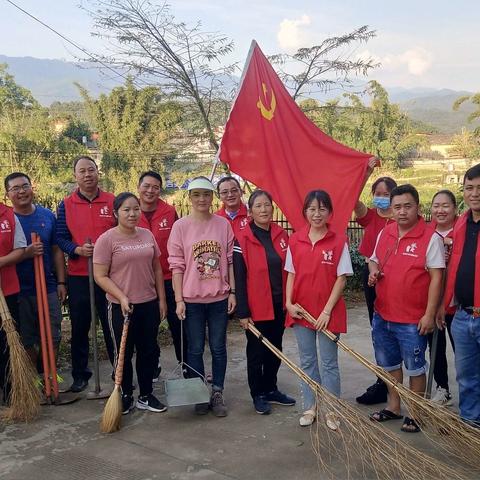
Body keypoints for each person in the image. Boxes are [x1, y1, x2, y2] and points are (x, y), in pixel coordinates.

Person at [368, 184, 444, 433]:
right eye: (397, 207)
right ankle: (393, 406)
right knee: (389, 365)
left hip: (412, 319)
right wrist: (373, 273)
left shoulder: (430, 237)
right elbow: (373, 260)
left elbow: (436, 278)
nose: (401, 212)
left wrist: (429, 314)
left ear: (417, 207)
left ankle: (416, 412)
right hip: (383, 314)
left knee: (415, 367)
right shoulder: (386, 233)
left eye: (407, 206)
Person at [93, 192, 168, 415]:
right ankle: (124, 394)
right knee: (122, 352)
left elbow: (156, 268)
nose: (132, 213)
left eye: (136, 209)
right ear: (116, 213)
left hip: (148, 304)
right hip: (120, 306)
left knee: (147, 350)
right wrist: (122, 296)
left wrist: (161, 299)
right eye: (126, 210)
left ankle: (145, 394)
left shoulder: (147, 235)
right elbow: (100, 276)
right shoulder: (107, 239)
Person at [168, 176, 236, 417]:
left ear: (212, 197)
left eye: (206, 194)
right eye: (196, 194)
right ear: (190, 197)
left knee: (218, 347)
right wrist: (178, 300)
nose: (201, 199)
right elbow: (176, 266)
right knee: (195, 349)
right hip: (192, 301)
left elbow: (229, 261)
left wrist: (232, 292)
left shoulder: (223, 224)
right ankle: (199, 392)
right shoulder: (180, 227)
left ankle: (217, 391)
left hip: (218, 298)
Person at [285, 190, 353, 429]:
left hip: (328, 314)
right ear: (305, 212)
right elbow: (291, 274)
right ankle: (310, 406)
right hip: (301, 311)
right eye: (312, 209)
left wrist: (326, 312)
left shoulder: (338, 241)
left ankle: (332, 410)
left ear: (329, 212)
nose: (316, 214)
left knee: (329, 363)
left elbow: (341, 278)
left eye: (322, 209)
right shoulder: (295, 240)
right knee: (307, 361)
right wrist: (288, 303)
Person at [56, 155, 116, 392]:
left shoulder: (112, 201)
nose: (87, 175)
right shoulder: (66, 205)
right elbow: (60, 238)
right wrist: (77, 249)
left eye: (91, 170)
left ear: (97, 172)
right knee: (80, 327)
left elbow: (123, 232)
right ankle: (80, 375)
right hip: (80, 275)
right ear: (75, 176)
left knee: (112, 325)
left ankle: (118, 371)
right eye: (82, 171)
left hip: (109, 275)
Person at [233, 189, 295, 415]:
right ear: (250, 211)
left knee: (276, 349)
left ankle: (271, 388)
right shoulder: (243, 238)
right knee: (257, 352)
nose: (264, 209)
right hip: (256, 307)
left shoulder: (281, 234)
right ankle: (257, 393)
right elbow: (239, 277)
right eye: (258, 206)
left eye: (267, 205)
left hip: (280, 304)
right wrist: (243, 311)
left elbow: (290, 269)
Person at [5, 172, 67, 373]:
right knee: (27, 339)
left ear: (32, 188)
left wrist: (61, 282)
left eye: (25, 186)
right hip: (19, 290)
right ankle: (34, 380)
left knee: (53, 334)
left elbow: (56, 250)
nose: (21, 192)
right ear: (8, 194)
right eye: (15, 188)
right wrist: (26, 253)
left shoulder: (47, 215)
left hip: (48, 286)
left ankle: (49, 376)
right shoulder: (7, 220)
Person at [354, 161, 397, 405]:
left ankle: (400, 382)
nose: (381, 198)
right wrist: (366, 173)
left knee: (401, 330)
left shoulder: (402, 218)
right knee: (378, 328)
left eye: (386, 194)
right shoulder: (370, 218)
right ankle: (383, 381)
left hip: (398, 279)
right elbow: (352, 201)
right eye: (377, 194)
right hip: (372, 278)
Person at [136, 171, 185, 380]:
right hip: (142, 281)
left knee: (178, 324)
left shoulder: (169, 211)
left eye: (155, 187)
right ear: (139, 187)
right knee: (147, 327)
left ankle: (185, 364)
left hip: (168, 278)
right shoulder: (130, 210)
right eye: (147, 186)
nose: (150, 190)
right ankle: (152, 363)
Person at [443, 163, 480, 426]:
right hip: (463, 315)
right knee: (466, 376)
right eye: (469, 188)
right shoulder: (462, 224)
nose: (475, 193)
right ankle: (470, 423)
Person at [428, 189, 458, 405]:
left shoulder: (465, 230)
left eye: (445, 205)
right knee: (435, 348)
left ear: (455, 209)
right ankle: (442, 388)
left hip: (459, 304)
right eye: (436, 205)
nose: (440, 210)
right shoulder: (428, 233)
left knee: (464, 350)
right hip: (434, 301)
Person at [0, 197, 26, 404]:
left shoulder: (9, 215)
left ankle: (12, 392)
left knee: (7, 344)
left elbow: (20, 250)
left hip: (8, 289)